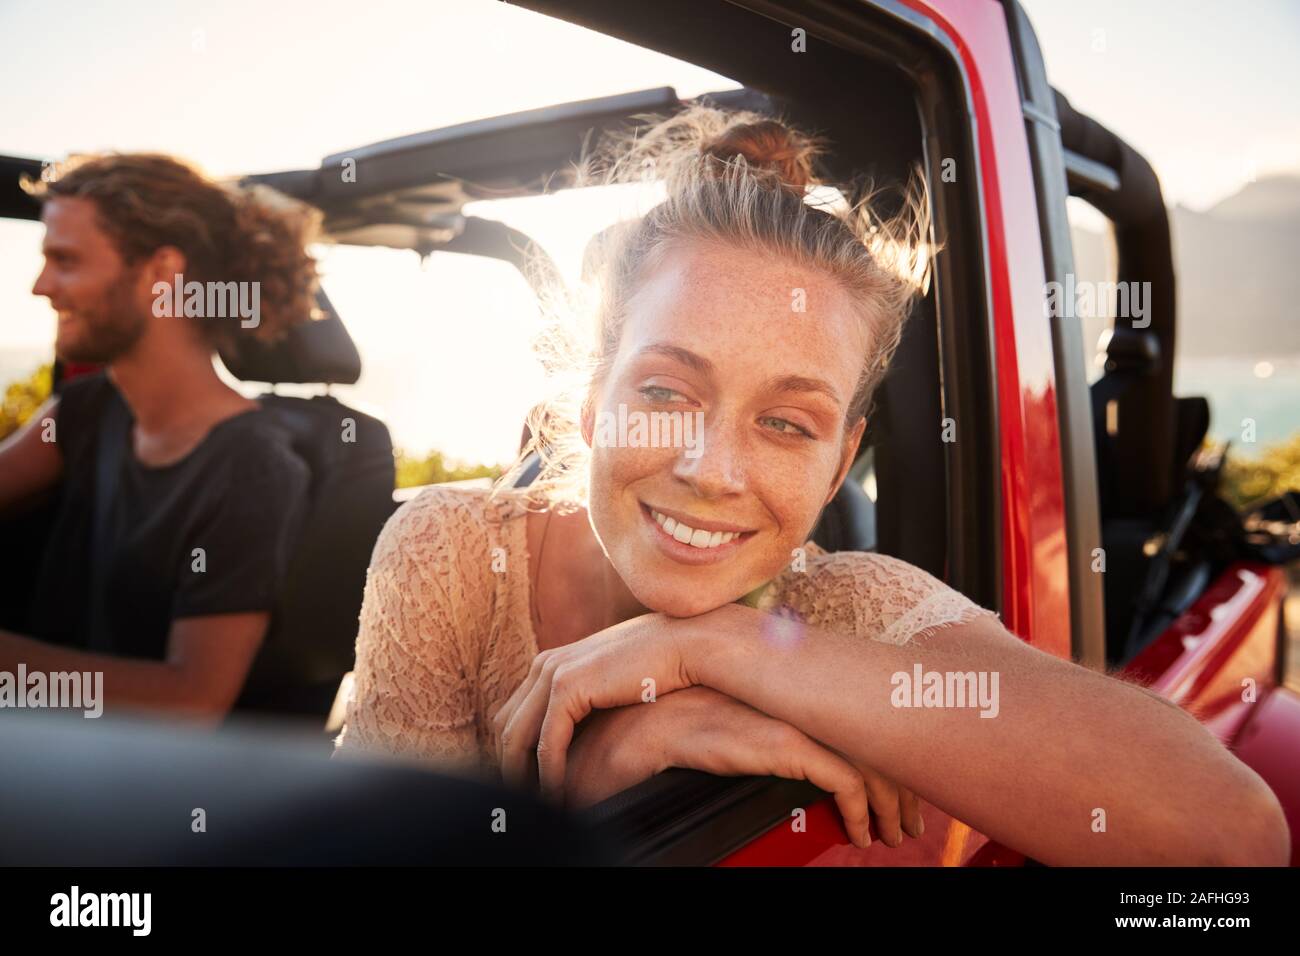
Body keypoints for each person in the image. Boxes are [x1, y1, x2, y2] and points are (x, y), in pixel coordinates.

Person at [334, 107, 1290, 865]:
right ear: (590, 405)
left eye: (786, 423)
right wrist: (595, 778)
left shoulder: (841, 609)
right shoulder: (455, 551)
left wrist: (724, 646)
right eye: (667, 391)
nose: (712, 469)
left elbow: (1229, 834)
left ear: (841, 461)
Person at [0, 153, 316, 724]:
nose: (40, 286)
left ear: (161, 272)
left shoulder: (251, 465)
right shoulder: (85, 410)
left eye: (64, 260)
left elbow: (191, 698)